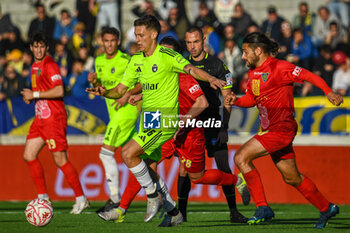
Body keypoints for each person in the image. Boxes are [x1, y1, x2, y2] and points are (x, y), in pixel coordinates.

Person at [86, 15, 226, 225]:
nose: (137, 39)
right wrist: (105, 92)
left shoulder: (167, 55)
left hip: (166, 120)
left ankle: (152, 196)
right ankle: (173, 212)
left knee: (127, 153)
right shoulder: (136, 60)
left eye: (141, 35)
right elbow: (119, 91)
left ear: (153, 35)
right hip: (149, 120)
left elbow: (191, 69)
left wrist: (212, 78)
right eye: (135, 35)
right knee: (147, 168)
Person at [103, 36, 249, 224]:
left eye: (166, 53)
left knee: (197, 177)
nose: (160, 57)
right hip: (166, 129)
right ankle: (122, 209)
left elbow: (202, 102)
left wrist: (184, 121)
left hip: (189, 134)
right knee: (144, 162)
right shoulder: (158, 74)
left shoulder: (185, 78)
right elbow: (151, 88)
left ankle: (236, 181)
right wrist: (138, 95)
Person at [224, 32, 343, 229]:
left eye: (245, 52)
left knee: (241, 157)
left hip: (281, 129)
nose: (243, 57)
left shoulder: (279, 67)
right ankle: (326, 207)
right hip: (271, 130)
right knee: (291, 177)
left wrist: (328, 91)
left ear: (258, 50)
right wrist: (235, 100)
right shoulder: (253, 72)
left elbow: (309, 75)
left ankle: (262, 207)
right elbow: (251, 100)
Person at [182, 26, 249, 223]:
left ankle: (234, 212)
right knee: (185, 169)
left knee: (222, 166)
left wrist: (224, 128)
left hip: (212, 121)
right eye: (189, 43)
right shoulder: (182, 65)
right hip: (191, 123)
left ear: (203, 41)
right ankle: (181, 214)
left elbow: (228, 97)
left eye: (196, 41)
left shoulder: (217, 65)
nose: (192, 47)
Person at [20, 32, 89, 214]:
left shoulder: (50, 65)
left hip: (53, 119)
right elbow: (43, 90)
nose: (39, 49)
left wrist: (34, 95)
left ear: (46, 47)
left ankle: (81, 199)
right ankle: (43, 198)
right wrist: (32, 97)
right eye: (36, 46)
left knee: (60, 160)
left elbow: (59, 90)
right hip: (40, 119)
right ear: (31, 48)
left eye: (42, 46)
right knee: (29, 155)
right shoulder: (35, 65)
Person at [90, 27, 139, 213]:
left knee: (105, 153)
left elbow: (136, 83)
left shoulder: (126, 60)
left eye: (112, 41)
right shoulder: (98, 61)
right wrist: (94, 82)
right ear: (102, 42)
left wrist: (126, 96)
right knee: (136, 158)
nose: (109, 44)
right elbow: (102, 89)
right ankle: (159, 195)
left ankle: (115, 199)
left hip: (125, 113)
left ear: (118, 42)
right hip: (114, 113)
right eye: (106, 41)